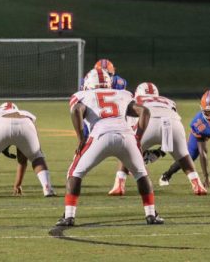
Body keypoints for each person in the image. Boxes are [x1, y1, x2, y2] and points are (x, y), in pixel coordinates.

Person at [56, 68, 162, 227]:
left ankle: (69, 216)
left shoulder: (82, 96)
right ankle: (151, 214)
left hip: (100, 135)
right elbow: (144, 112)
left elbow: (76, 110)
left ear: (88, 84)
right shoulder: (123, 94)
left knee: (75, 173)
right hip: (125, 136)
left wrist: (81, 139)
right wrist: (138, 139)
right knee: (141, 174)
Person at [107, 82, 207, 196]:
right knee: (183, 156)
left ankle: (119, 185)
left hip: (149, 120)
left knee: (125, 150)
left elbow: (129, 128)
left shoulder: (134, 100)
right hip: (173, 123)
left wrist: (136, 154)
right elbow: (168, 142)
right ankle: (198, 185)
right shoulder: (168, 101)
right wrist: (159, 153)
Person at [0, 102, 55, 198]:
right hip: (26, 122)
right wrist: (18, 184)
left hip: (1, 123)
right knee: (36, 157)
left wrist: (1, 146)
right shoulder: (22, 113)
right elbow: (22, 160)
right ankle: (47, 188)